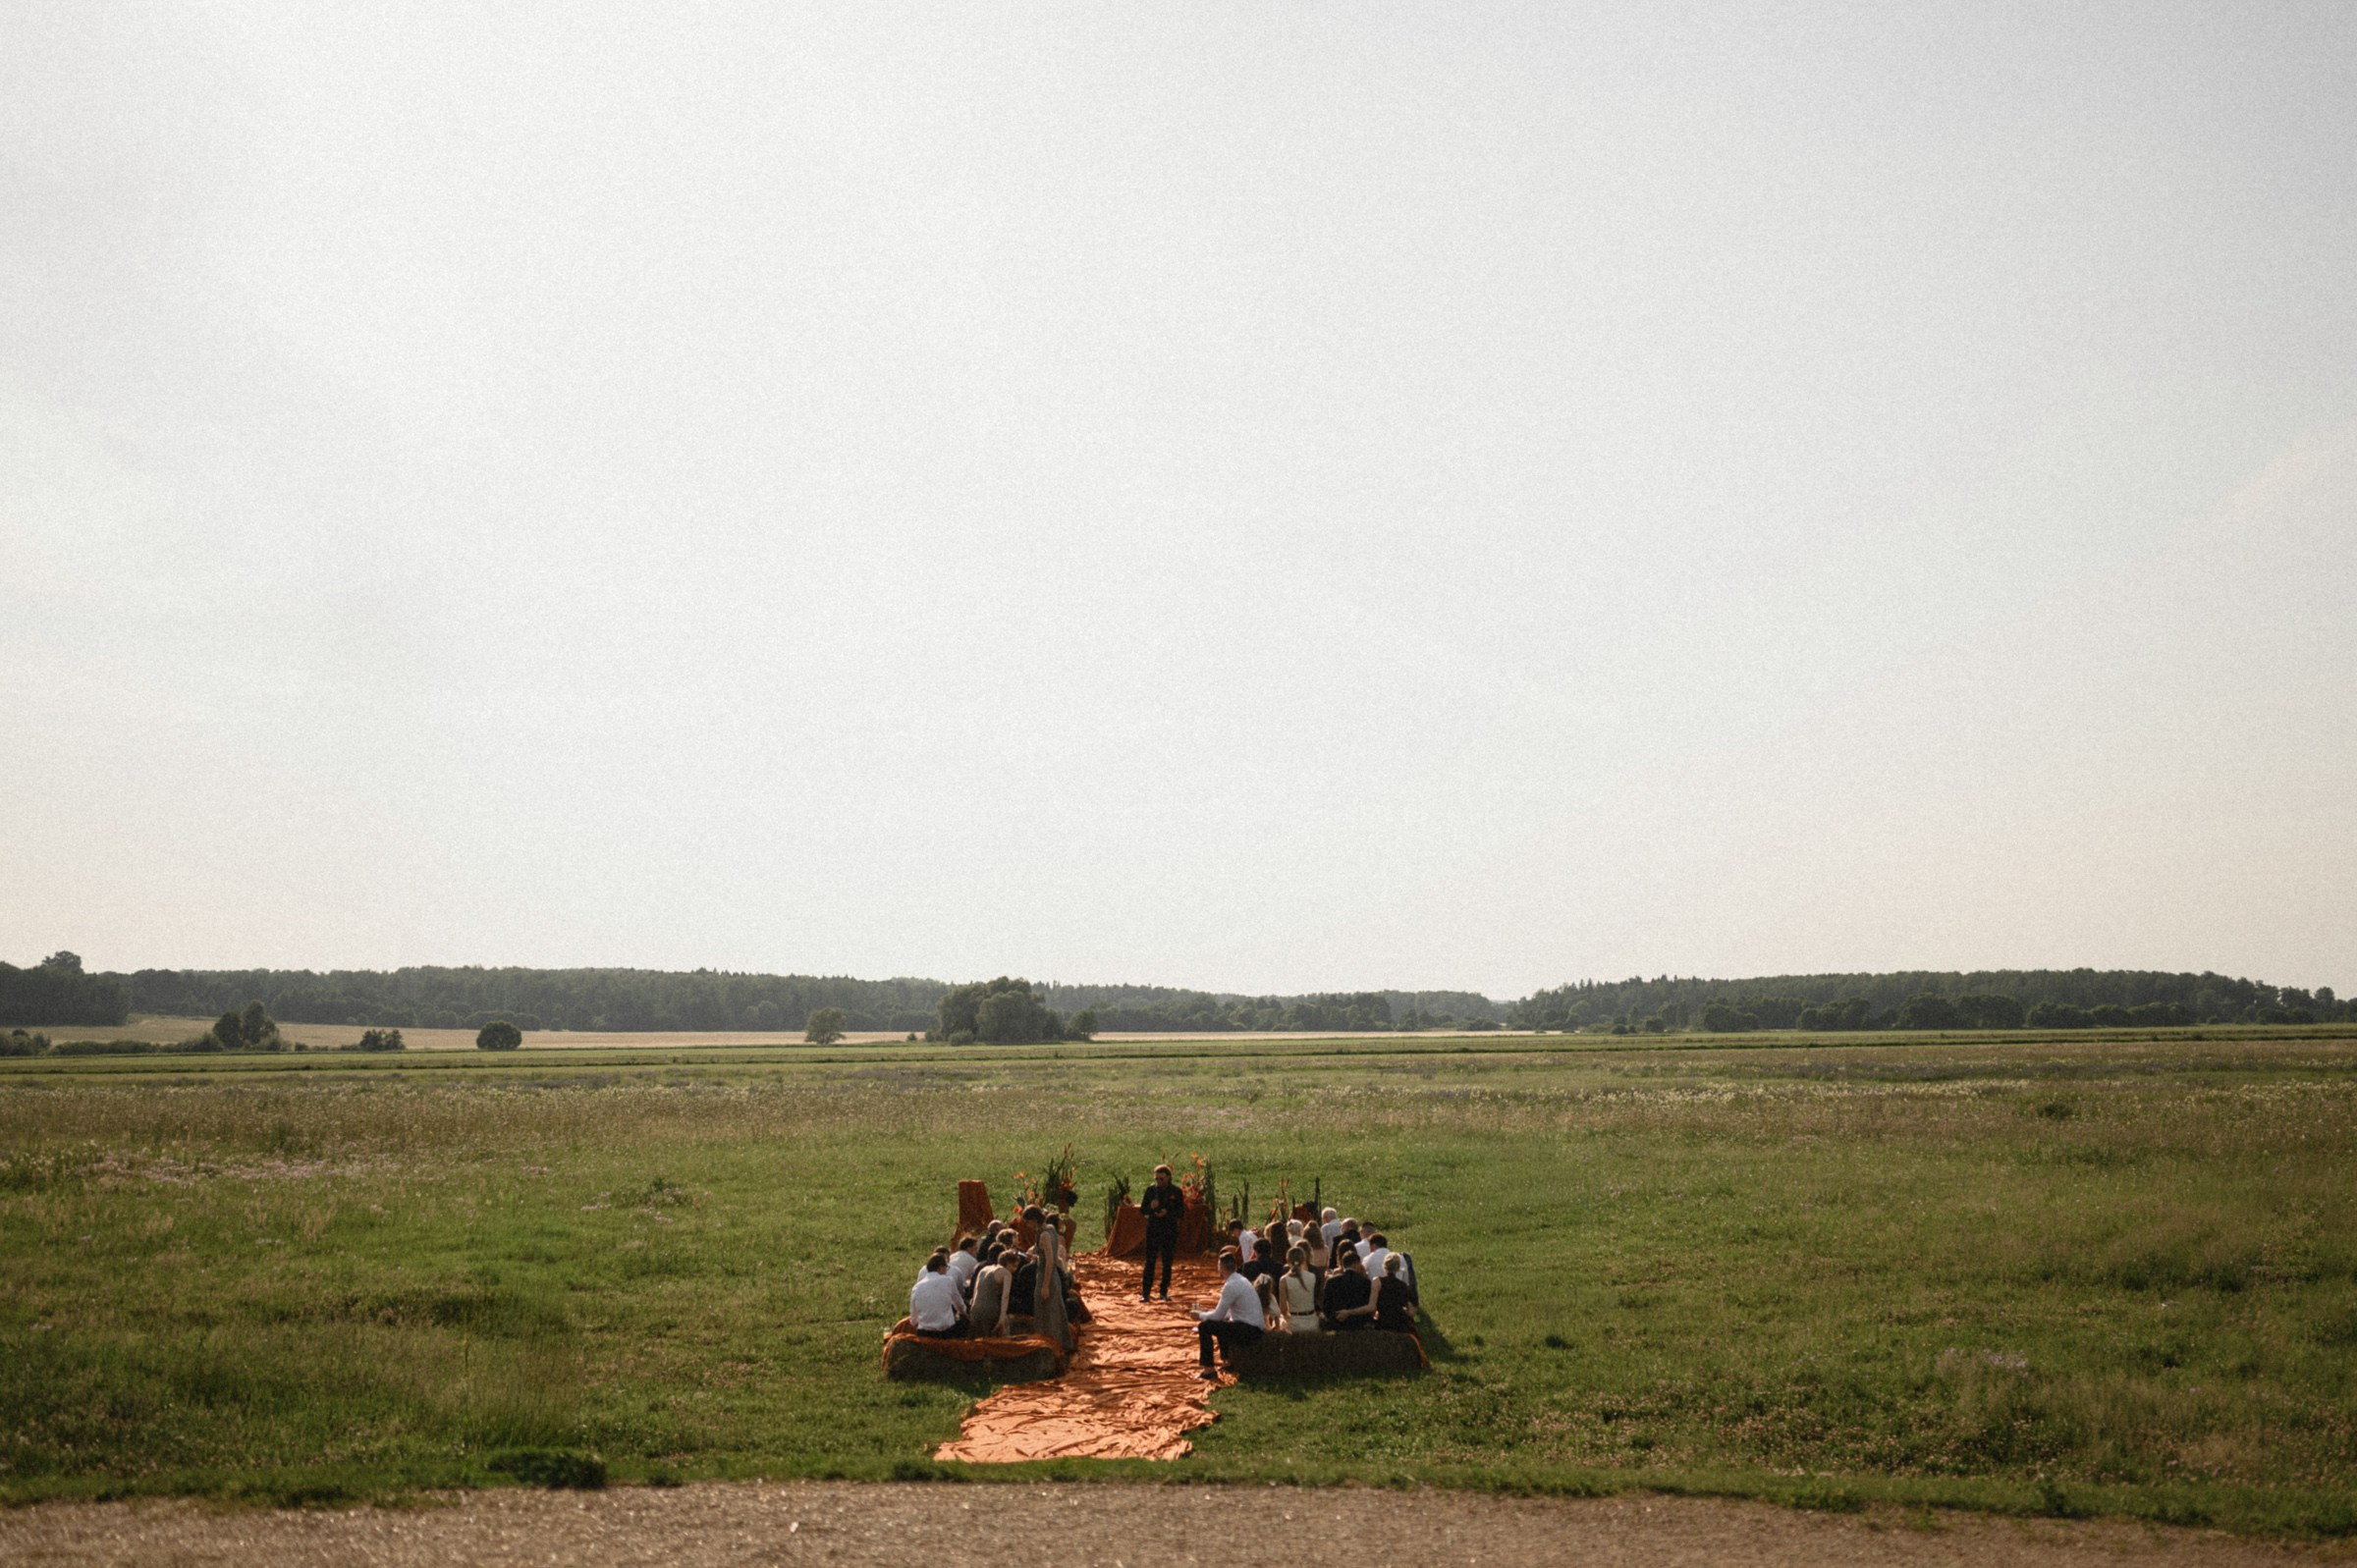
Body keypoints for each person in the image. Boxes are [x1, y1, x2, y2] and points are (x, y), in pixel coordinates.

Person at [1195, 1247, 1265, 1378]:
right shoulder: (1240, 1280)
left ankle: (1208, 1369)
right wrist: (1207, 1314)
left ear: (1221, 1267)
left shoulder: (1230, 1285)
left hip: (1249, 1331)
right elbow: (1225, 1314)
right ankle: (1227, 1360)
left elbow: (1218, 1316)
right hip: (1254, 1327)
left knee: (1204, 1327)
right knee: (1223, 1324)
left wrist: (1199, 1315)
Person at [1027, 1205, 1071, 1351]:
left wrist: (1045, 1285)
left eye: (1028, 1222)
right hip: (1051, 1276)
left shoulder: (1045, 1235)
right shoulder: (1051, 1229)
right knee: (1055, 1311)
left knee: (1046, 1313)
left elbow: (1050, 1261)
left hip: (1047, 1277)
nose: (1027, 1226)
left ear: (1033, 1220)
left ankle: (1050, 1346)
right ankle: (1060, 1344)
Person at [1138, 1162, 1184, 1302]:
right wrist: (1151, 1208)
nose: (1159, 1182)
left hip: (1169, 1230)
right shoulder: (1151, 1191)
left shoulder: (1176, 1192)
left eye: (1161, 1179)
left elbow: (1181, 1212)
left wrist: (1167, 1212)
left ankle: (1163, 1292)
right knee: (1150, 1262)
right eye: (1156, 1179)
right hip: (1153, 1229)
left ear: (1169, 1177)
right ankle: (1145, 1293)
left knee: (1167, 1262)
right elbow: (1143, 1210)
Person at [909, 1250, 967, 1337]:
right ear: (940, 1268)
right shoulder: (948, 1281)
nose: (946, 1271)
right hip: (946, 1331)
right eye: (946, 1268)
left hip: (924, 1332)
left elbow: (913, 1319)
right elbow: (959, 1304)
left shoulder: (916, 1287)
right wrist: (964, 1313)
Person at [1322, 1249, 1373, 1330]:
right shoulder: (1365, 1282)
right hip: (1358, 1325)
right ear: (1356, 1264)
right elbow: (1368, 1305)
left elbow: (1326, 1305)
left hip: (1336, 1324)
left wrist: (1334, 1318)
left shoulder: (1331, 1282)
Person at [969, 1244, 1014, 1337]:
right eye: (1014, 1266)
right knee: (1003, 1333)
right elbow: (1005, 1296)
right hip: (990, 1310)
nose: (1014, 1269)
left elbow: (975, 1290)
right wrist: (1002, 1319)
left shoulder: (984, 1269)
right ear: (1009, 1263)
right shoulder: (1006, 1273)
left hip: (975, 1310)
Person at [1277, 1244, 1320, 1333]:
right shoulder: (1312, 1276)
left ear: (1287, 1260)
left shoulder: (1284, 1280)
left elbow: (1283, 1309)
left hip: (1294, 1323)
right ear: (1304, 1260)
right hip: (1312, 1322)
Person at [1370, 1253, 1417, 1332]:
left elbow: (1372, 1306)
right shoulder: (1403, 1286)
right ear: (1398, 1268)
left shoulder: (1377, 1282)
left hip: (1382, 1322)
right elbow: (1411, 1312)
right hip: (1398, 1324)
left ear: (1384, 1265)